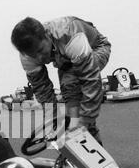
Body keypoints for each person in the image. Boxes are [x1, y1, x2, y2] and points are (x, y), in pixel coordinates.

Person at [11, 16, 111, 144]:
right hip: (65, 58)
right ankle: (75, 144)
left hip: (96, 48)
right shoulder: (27, 56)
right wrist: (55, 123)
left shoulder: (71, 35)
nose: (39, 58)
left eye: (41, 50)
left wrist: (85, 121)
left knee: (72, 82)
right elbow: (43, 91)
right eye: (33, 55)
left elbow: (91, 81)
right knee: (68, 90)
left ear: (47, 36)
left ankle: (87, 138)